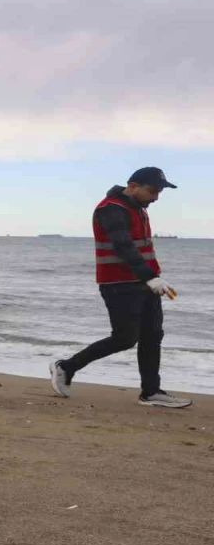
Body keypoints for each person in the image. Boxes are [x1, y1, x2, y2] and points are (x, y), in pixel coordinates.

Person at [49, 168, 191, 408]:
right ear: (133, 185)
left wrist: (154, 277)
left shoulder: (137, 208)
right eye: (153, 191)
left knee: (153, 335)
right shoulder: (111, 208)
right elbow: (123, 246)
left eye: (159, 192)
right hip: (119, 284)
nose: (156, 198)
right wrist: (149, 277)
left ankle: (151, 392)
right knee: (125, 338)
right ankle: (66, 366)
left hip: (144, 282)